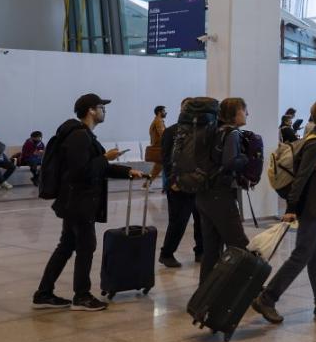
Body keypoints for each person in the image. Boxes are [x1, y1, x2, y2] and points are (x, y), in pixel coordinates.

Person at [33, 93, 145, 311]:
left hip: (76, 201)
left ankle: (44, 293)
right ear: (91, 110)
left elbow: (94, 166)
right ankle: (82, 296)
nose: (105, 111)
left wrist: (127, 171)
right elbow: (81, 171)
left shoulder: (84, 135)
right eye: (102, 107)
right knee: (85, 246)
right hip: (79, 202)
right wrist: (105, 158)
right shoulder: (79, 137)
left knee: (66, 246)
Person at [253, 100, 316, 322]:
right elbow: (302, 176)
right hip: (310, 208)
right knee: (301, 255)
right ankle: (267, 298)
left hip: (315, 207)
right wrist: (291, 207)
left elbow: (314, 172)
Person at [189, 97, 253, 280]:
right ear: (234, 113)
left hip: (203, 195)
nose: (247, 113)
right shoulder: (232, 133)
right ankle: (250, 288)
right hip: (220, 196)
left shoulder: (212, 131)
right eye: (244, 109)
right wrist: (247, 158)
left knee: (211, 250)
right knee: (239, 244)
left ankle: (204, 294)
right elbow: (230, 161)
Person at [159, 99, 202, 267]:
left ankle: (201, 251)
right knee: (179, 221)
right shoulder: (171, 131)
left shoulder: (200, 131)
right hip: (178, 184)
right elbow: (167, 159)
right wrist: (172, 181)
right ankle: (166, 253)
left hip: (196, 183)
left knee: (201, 220)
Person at [148, 105, 166, 180]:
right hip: (159, 147)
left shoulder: (157, 120)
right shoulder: (159, 120)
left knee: (158, 167)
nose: (165, 113)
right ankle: (146, 185)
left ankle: (147, 184)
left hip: (158, 146)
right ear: (159, 112)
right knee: (157, 167)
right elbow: (162, 133)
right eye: (164, 111)